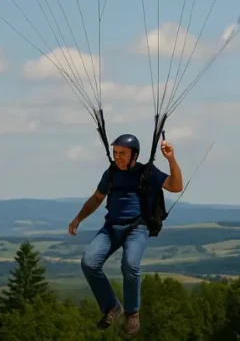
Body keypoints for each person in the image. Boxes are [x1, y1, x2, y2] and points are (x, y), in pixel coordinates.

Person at [68, 133, 183, 336]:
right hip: (111, 227)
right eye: (115, 153)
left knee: (130, 264)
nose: (117, 157)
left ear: (134, 155)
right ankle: (111, 307)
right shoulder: (111, 173)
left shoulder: (147, 172)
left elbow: (176, 186)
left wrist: (171, 159)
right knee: (89, 263)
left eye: (122, 153)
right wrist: (78, 218)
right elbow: (96, 198)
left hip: (137, 227)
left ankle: (132, 312)